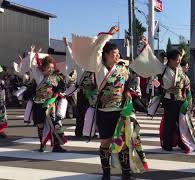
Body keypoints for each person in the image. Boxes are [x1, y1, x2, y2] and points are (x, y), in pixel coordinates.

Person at [71, 26, 147, 180]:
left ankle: (126, 172)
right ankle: (106, 173)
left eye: (118, 54)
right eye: (114, 54)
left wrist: (128, 90)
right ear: (105, 55)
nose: (117, 56)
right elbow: (97, 49)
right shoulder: (100, 69)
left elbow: (131, 81)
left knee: (124, 143)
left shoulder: (123, 69)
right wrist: (108, 35)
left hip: (121, 112)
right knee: (105, 143)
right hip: (104, 112)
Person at [23, 46, 67, 153]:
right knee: (40, 125)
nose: (51, 70)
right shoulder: (38, 76)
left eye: (52, 68)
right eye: (48, 68)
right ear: (43, 68)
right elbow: (33, 66)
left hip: (51, 104)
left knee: (56, 124)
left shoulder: (56, 77)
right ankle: (42, 145)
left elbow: (62, 87)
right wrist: (33, 54)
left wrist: (56, 94)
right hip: (38, 104)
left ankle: (57, 146)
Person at [0, 66, 8, 138]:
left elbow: (4, 91)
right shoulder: (2, 81)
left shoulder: (2, 82)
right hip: (1, 100)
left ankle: (1, 131)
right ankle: (1, 131)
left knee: (2, 116)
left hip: (1, 100)